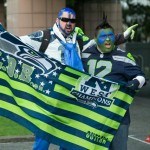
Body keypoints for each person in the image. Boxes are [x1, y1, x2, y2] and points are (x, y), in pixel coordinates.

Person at [20, 7, 138, 150]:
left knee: (69, 141)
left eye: (72, 20)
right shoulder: (44, 37)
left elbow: (100, 41)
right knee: (43, 139)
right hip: (50, 99)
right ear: (57, 20)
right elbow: (18, 42)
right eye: (65, 20)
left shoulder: (79, 40)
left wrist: (124, 35)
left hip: (73, 100)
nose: (68, 23)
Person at [81, 15, 146, 150]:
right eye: (103, 36)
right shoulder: (83, 54)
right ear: (95, 40)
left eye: (110, 35)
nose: (108, 39)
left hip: (118, 117)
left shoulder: (122, 57)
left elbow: (141, 76)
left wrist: (135, 82)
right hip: (92, 116)